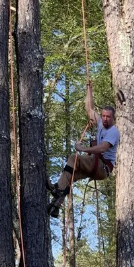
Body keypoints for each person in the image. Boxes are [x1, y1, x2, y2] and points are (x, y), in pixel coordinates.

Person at [48, 82, 119, 218]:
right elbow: (89, 108)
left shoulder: (113, 132)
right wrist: (89, 90)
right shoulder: (100, 124)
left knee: (73, 159)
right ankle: (55, 206)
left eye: (108, 117)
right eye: (103, 116)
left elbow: (103, 147)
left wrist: (82, 148)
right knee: (68, 176)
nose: (104, 119)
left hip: (102, 167)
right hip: (96, 165)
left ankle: (57, 189)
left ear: (113, 119)